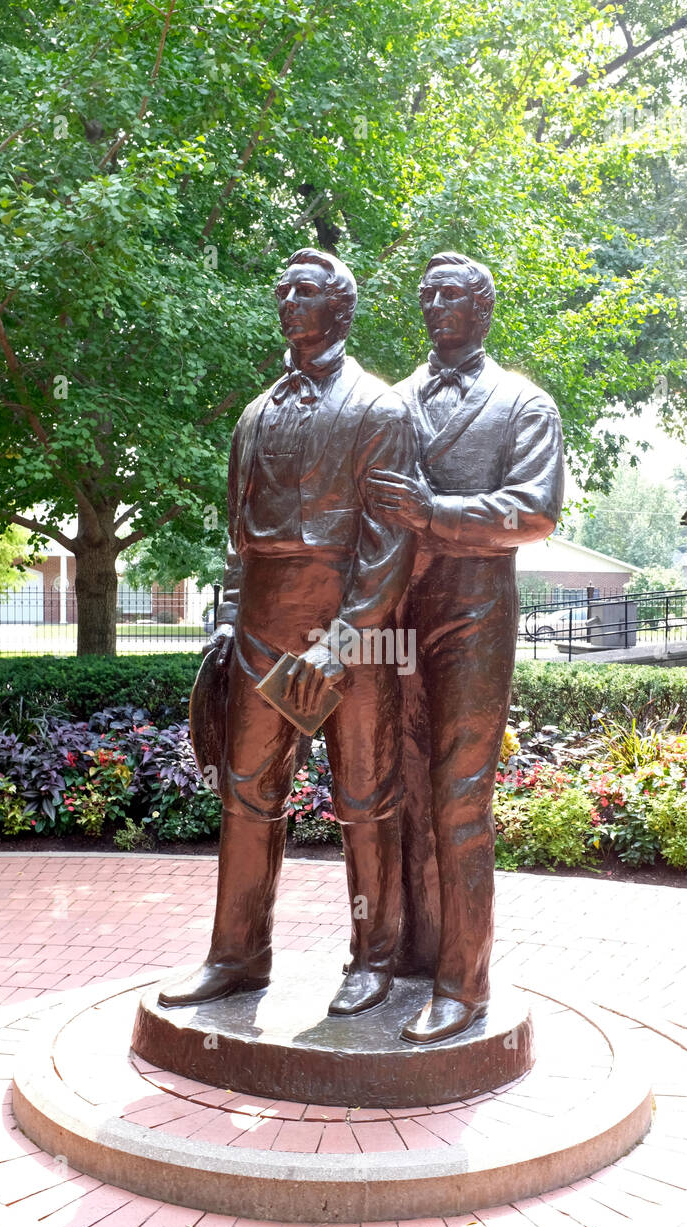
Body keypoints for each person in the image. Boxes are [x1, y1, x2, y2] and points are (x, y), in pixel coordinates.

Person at [159, 248, 416, 1017]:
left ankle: (374, 957)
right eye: (282, 290)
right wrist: (229, 625)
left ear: (341, 310)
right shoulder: (254, 413)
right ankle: (237, 954)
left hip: (352, 632)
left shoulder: (379, 408)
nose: (288, 301)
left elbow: (389, 545)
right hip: (263, 623)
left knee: (364, 796)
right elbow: (240, 544)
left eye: (304, 290)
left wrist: (341, 644)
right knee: (245, 795)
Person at [367, 252, 564, 1043]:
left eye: (453, 293)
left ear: (483, 308)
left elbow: (535, 511)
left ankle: (464, 983)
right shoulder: (392, 403)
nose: (436, 305)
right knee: (400, 788)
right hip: (396, 612)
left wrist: (434, 511)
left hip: (475, 611)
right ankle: (408, 953)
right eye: (427, 294)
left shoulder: (524, 403)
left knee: (459, 799)